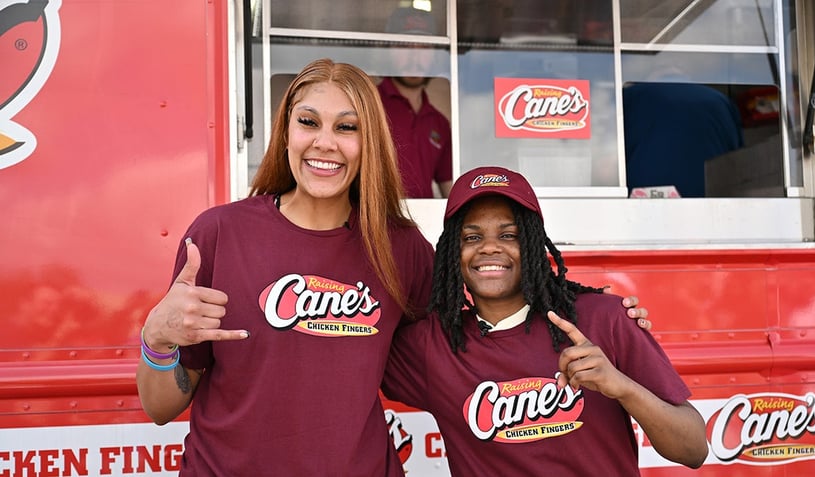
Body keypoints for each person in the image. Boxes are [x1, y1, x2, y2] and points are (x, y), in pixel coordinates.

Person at [135, 59, 650, 475]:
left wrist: (598, 316)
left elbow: (483, 343)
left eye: (347, 127)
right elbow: (161, 408)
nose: (325, 142)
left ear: (369, 143)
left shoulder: (401, 248)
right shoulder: (219, 235)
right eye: (308, 122)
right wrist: (157, 341)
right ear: (285, 130)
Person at [382, 166, 708, 476]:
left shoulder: (602, 320)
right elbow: (345, 352)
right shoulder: (432, 347)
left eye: (509, 235)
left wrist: (621, 386)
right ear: (453, 254)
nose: (490, 247)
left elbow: (693, 449)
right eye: (472, 237)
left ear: (534, 245)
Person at [623, 81, 744, 197]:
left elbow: (609, 160)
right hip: (714, 204)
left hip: (642, 205)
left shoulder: (629, 97)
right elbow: (737, 158)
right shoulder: (722, 101)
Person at [379, 6, 452, 198]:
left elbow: (449, 188)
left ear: (435, 54)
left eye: (424, 47)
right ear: (389, 51)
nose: (415, 56)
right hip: (373, 222)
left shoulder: (439, 123)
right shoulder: (367, 105)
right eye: (405, 45)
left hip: (424, 223)